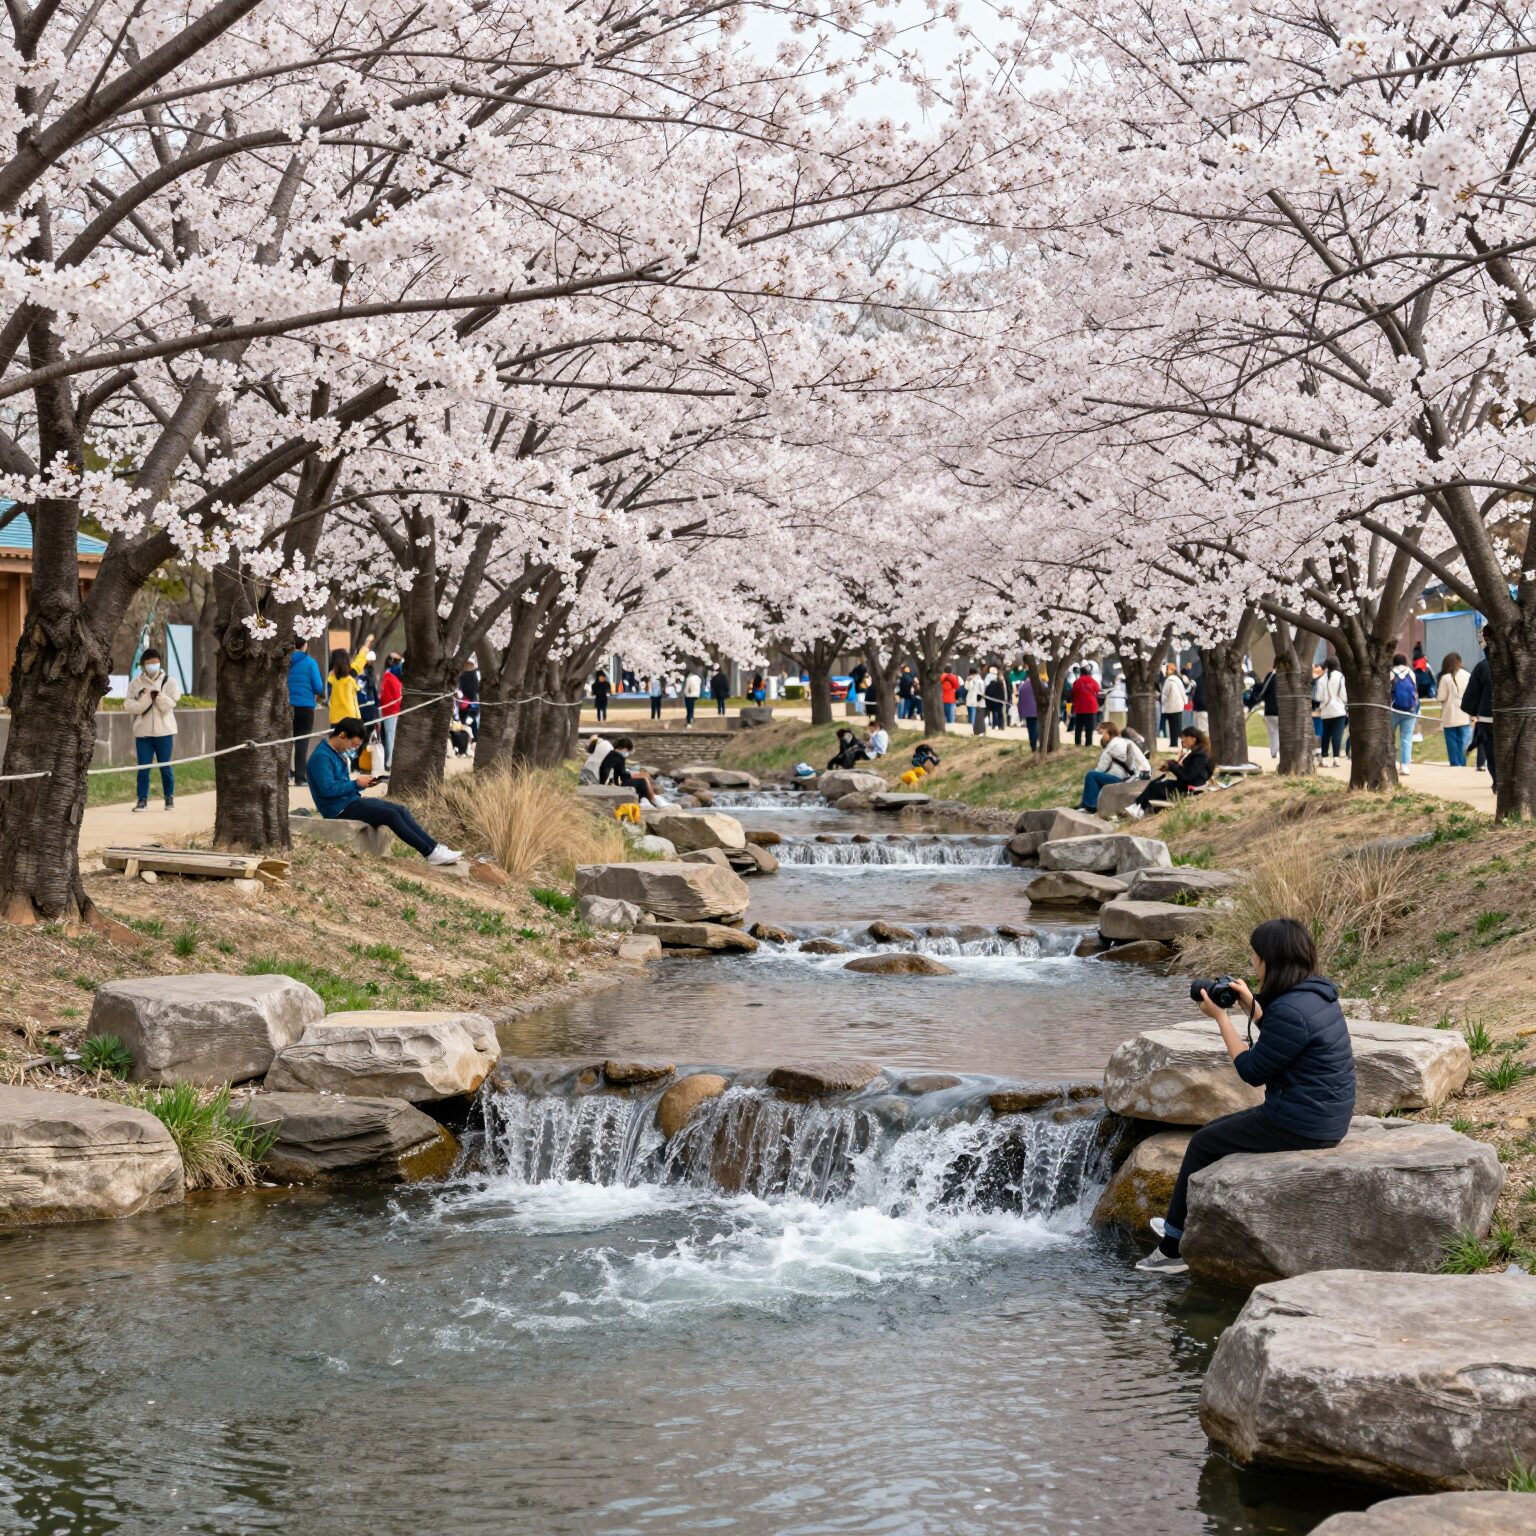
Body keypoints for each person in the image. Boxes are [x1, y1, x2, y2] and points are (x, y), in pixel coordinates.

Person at [1138, 918, 1356, 1276]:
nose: (1253, 962)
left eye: (1255, 955)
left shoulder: (1290, 1009)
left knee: (1204, 1142)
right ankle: (1184, 1220)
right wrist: (1251, 1007)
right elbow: (1286, 1040)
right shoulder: (1315, 992)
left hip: (1303, 1123)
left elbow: (1252, 1071)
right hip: (1323, 1112)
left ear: (1270, 960)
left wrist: (1220, 1018)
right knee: (1216, 1129)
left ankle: (1172, 1249)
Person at [306, 718, 462, 865]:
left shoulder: (335, 753)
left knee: (399, 809)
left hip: (349, 802)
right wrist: (355, 783)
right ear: (342, 735)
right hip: (337, 810)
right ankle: (429, 853)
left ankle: (434, 847)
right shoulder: (322, 757)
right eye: (352, 744)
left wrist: (361, 784)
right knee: (390, 815)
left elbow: (340, 785)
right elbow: (327, 790)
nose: (352, 749)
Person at [125, 647, 180, 811]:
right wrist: (146, 700)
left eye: (156, 662)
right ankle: (142, 800)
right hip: (143, 733)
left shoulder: (169, 681)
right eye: (149, 663)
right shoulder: (136, 683)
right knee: (143, 768)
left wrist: (158, 696)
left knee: (165, 766)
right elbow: (129, 705)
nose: (153, 666)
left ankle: (169, 798)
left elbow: (171, 704)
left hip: (165, 731)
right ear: (143, 665)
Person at [1134, 726, 1211, 811]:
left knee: (1155, 787)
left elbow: (1188, 777)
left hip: (1189, 787)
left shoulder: (1199, 756)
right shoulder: (1196, 753)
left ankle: (1137, 808)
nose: (1183, 740)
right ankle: (1139, 807)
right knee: (1154, 784)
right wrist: (1173, 765)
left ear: (1194, 739)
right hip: (1185, 784)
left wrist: (1172, 765)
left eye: (1185, 737)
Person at [1080, 722, 1151, 812]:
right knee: (1095, 777)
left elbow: (1101, 769)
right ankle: (1086, 804)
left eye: (1102, 733)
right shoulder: (1124, 741)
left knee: (1091, 776)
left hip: (1123, 780)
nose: (1102, 737)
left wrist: (1095, 772)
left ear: (1108, 730)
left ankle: (1091, 806)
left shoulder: (1113, 745)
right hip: (1134, 778)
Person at [287, 642, 326, 786]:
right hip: (305, 707)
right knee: (302, 742)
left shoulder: (285, 661)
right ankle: (300, 777)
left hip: (287, 706)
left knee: (286, 741)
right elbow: (318, 686)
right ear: (305, 644)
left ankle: (284, 775)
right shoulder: (310, 663)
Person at [1463, 638, 1495, 787]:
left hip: (1487, 717)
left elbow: (1471, 696)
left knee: (1492, 752)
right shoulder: (1521, 663)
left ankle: (1497, 781)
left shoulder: (1482, 667)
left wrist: (1475, 712)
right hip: (1518, 717)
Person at [599, 736, 662, 805]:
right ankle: (652, 799)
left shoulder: (615, 755)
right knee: (643, 781)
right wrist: (607, 784)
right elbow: (606, 771)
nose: (628, 753)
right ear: (625, 748)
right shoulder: (615, 757)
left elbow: (619, 771)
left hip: (622, 777)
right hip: (619, 781)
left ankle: (652, 795)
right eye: (628, 751)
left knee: (645, 775)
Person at [326, 634, 374, 724]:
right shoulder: (351, 676)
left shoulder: (329, 680)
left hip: (336, 720)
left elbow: (326, 697)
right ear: (347, 661)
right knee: (351, 738)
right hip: (352, 719)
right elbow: (359, 660)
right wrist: (366, 644)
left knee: (338, 738)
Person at [1437, 652, 1473, 768]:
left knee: (1452, 742)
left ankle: (1455, 763)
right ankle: (1463, 763)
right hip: (1465, 714)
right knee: (1464, 741)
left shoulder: (1445, 678)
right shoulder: (1467, 675)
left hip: (1449, 714)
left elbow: (1441, 697)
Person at [1388, 652, 1419, 776]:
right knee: (1406, 739)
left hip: (1393, 710)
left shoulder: (1391, 673)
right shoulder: (1411, 673)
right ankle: (1405, 766)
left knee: (1389, 738)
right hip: (1409, 710)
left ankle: (1390, 763)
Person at [1314, 657, 1348, 763]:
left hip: (1326, 712)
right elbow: (1344, 695)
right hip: (1339, 711)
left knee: (1326, 734)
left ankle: (1324, 758)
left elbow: (1318, 697)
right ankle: (1336, 758)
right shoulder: (1341, 677)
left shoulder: (1321, 679)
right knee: (1337, 735)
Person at [1247, 667, 1279, 760]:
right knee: (1281, 732)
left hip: (1270, 710)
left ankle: (1274, 752)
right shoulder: (1287, 676)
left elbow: (1262, 692)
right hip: (1284, 711)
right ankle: (1279, 750)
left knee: (1272, 732)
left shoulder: (1271, 676)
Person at [378, 654, 403, 770]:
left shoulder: (386, 678)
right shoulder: (394, 680)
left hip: (387, 711)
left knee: (389, 737)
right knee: (390, 737)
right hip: (392, 711)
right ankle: (390, 762)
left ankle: (389, 761)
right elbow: (398, 697)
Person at [1071, 664, 1102, 746]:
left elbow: (1073, 693)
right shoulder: (1092, 680)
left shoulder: (1077, 682)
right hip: (1091, 707)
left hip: (1080, 707)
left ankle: (1077, 743)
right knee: (1089, 727)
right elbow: (1097, 690)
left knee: (1078, 727)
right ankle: (1089, 743)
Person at [1159, 662, 1188, 746]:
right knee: (1177, 727)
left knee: (1172, 727)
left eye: (1167, 669)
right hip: (1179, 707)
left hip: (1171, 707)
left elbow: (1165, 693)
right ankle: (1179, 743)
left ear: (1171, 670)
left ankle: (1174, 743)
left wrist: (1162, 702)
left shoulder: (1169, 680)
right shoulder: (1177, 679)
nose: (1166, 671)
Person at [457, 661, 480, 740]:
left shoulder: (465, 675)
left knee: (467, 720)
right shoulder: (471, 674)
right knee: (468, 720)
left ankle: (470, 737)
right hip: (469, 701)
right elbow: (477, 689)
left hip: (468, 700)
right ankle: (471, 737)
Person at [1016, 673, 1038, 749]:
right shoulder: (1039, 684)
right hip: (1037, 710)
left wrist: (1020, 713)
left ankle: (1033, 745)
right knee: (1037, 728)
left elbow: (1020, 701)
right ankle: (1036, 743)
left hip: (1027, 712)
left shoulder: (1022, 686)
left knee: (1031, 729)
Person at [985, 666, 1008, 731]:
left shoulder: (990, 683)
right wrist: (1004, 699)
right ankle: (1001, 726)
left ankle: (995, 725)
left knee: (995, 713)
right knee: (1000, 713)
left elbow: (987, 691)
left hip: (992, 700)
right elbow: (1003, 692)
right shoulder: (1001, 683)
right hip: (1000, 701)